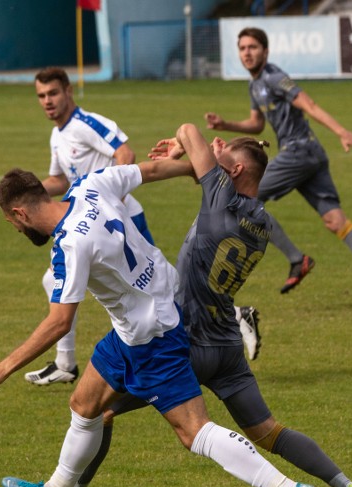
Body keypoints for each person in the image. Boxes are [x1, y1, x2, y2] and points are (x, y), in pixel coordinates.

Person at [12, 123, 352, 487]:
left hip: (183, 341)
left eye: (224, 156)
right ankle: (345, 484)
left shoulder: (218, 203)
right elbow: (212, 167)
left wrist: (187, 144)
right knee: (269, 431)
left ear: (230, 174)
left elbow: (189, 130)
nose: (215, 155)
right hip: (226, 343)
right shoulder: (262, 224)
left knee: (103, 409)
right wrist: (218, 154)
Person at [0, 154, 321, 487]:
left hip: (152, 337)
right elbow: (150, 170)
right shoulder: (91, 185)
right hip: (151, 314)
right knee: (85, 403)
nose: (15, 229)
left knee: (194, 431)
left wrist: (4, 367)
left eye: (11, 223)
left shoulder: (68, 245)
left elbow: (59, 322)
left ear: (19, 213)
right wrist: (198, 165)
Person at [25, 68, 261, 386]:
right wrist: (27, 196)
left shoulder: (86, 124)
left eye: (53, 93)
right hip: (98, 222)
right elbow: (58, 180)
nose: (47, 101)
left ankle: (232, 317)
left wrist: (110, 202)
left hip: (117, 220)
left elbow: (125, 152)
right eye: (41, 96)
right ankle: (65, 362)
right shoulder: (59, 135)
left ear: (68, 91)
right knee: (155, 288)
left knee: (158, 291)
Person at [204, 27, 352, 311]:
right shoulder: (254, 85)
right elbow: (256, 124)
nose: (247, 53)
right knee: (335, 221)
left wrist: (342, 132)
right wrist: (226, 125)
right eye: (243, 48)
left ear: (265, 51)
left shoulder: (273, 76)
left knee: (244, 200)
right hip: (310, 155)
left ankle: (297, 259)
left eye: (253, 47)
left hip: (299, 152)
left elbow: (308, 104)